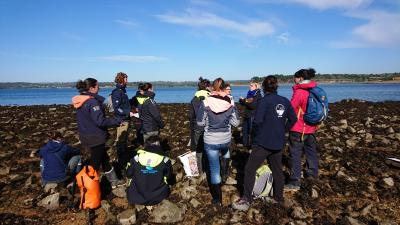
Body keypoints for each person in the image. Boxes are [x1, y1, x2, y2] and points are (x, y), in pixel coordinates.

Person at [232, 75, 297, 211]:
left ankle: (247, 199)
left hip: (263, 142)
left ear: (263, 87)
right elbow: (293, 119)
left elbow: (257, 122)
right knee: (277, 170)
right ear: (276, 87)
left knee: (250, 169)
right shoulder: (284, 100)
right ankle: (278, 197)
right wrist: (283, 130)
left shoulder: (264, 101)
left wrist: (255, 139)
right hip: (278, 142)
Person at [72, 78, 125, 189]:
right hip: (95, 137)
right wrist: (116, 121)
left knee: (104, 159)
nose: (99, 87)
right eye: (97, 86)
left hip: (86, 136)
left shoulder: (81, 101)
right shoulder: (92, 102)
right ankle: (87, 188)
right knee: (94, 164)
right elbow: (100, 121)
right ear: (92, 88)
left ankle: (114, 181)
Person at [197, 77, 240, 205]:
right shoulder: (231, 102)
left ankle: (217, 200)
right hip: (225, 138)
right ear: (223, 88)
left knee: (214, 171)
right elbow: (236, 123)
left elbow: (199, 122)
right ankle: (225, 174)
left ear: (212, 88)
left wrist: (207, 122)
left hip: (211, 140)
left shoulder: (206, 102)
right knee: (225, 151)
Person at [285, 68, 320, 191]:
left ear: (300, 78)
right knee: (311, 152)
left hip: (299, 128)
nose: (294, 80)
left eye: (295, 78)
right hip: (312, 127)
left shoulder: (300, 91)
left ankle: (295, 181)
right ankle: (312, 174)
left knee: (295, 153)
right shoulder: (315, 90)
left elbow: (290, 108)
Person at [126, 135, 174, 205]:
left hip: (136, 197)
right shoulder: (165, 160)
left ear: (146, 145)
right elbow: (168, 176)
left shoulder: (136, 159)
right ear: (160, 146)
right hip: (159, 196)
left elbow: (128, 174)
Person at [188, 77, 211, 174]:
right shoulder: (211, 97)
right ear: (208, 87)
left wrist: (192, 127)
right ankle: (206, 170)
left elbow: (190, 115)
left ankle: (198, 171)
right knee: (208, 149)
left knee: (197, 149)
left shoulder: (194, 99)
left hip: (197, 127)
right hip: (209, 127)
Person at [111, 72, 132, 170]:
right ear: (121, 79)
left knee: (124, 141)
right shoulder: (117, 91)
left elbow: (124, 104)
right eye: (126, 79)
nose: (127, 81)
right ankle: (121, 163)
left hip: (126, 119)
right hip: (122, 120)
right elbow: (117, 108)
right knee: (120, 142)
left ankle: (124, 160)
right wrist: (128, 113)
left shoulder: (123, 91)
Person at [239, 80, 262, 149]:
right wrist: (242, 101)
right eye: (249, 85)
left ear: (256, 86)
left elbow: (252, 105)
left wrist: (244, 101)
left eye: (251, 85)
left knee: (252, 131)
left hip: (253, 115)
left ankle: (253, 146)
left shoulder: (257, 94)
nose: (249, 86)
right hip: (247, 114)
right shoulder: (250, 93)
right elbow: (247, 103)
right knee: (245, 130)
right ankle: (245, 144)